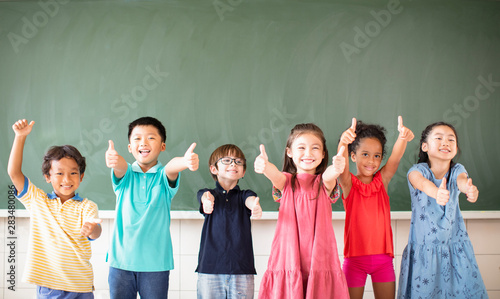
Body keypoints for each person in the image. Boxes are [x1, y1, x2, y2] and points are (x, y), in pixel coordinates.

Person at [105, 116, 199, 299]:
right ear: (130, 147)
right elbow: (121, 166)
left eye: (151, 137)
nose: (144, 142)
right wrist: (115, 160)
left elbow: (172, 167)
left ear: (163, 146)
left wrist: (185, 161)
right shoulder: (126, 176)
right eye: (137, 138)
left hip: (155, 265)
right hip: (121, 263)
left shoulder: (163, 177)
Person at [7, 119, 102, 298]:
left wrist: (93, 229)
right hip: (51, 286)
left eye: (73, 173)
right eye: (59, 173)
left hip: (81, 285)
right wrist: (20, 137)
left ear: (81, 177)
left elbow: (95, 232)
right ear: (47, 176)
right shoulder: (38, 201)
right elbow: (14, 173)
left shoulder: (87, 206)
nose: (66, 179)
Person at [254, 123, 349, 299]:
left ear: (323, 154)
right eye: (301, 148)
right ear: (289, 152)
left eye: (315, 148)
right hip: (289, 257)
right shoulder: (287, 182)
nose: (308, 153)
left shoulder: (323, 183)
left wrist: (336, 169)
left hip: (320, 258)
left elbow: (329, 176)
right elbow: (276, 175)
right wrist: (265, 166)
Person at [398, 122, 488, 298]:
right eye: (438, 138)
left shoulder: (457, 170)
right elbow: (422, 183)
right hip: (425, 254)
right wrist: (436, 192)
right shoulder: (417, 171)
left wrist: (469, 189)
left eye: (451, 139)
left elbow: (462, 181)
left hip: (456, 251)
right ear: (425, 146)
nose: (445, 142)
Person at [337, 116, 414, 299]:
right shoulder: (348, 184)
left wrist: (402, 138)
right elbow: (341, 165)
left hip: (383, 261)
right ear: (353, 156)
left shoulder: (382, 181)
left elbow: (394, 160)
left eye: (377, 156)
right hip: (354, 261)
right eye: (365, 154)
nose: (371, 161)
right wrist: (343, 143)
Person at [196, 144, 262, 299]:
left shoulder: (245, 195)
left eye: (238, 162)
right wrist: (206, 202)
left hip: (241, 270)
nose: (233, 164)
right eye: (227, 160)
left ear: (243, 172)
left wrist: (255, 206)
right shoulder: (207, 194)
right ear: (214, 169)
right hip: (210, 269)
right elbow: (205, 197)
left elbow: (251, 201)